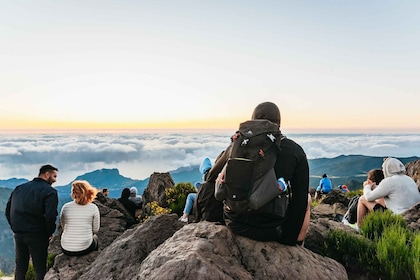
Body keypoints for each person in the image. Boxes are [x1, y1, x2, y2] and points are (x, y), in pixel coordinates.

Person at [208, 101, 311, 246]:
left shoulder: (237, 144)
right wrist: (288, 240)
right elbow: (299, 201)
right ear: (279, 124)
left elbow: (211, 177)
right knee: (307, 198)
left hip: (234, 222)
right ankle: (299, 244)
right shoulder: (294, 150)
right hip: (272, 230)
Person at [5, 164, 59, 280]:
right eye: (54, 176)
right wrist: (49, 232)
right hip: (38, 235)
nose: (55, 180)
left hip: (19, 234)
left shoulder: (19, 188)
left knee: (20, 267)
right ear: (47, 174)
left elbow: (8, 210)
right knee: (39, 269)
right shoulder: (50, 192)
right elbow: (50, 216)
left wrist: (15, 227)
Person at [357, 158, 420, 227]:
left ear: (388, 168)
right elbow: (386, 190)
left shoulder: (389, 181)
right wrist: (373, 186)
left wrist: (367, 186)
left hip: (398, 217)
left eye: (383, 168)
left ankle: (361, 228)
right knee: (379, 200)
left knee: (362, 199)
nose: (383, 171)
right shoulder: (409, 179)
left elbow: (368, 197)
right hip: (413, 215)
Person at [60, 180, 100, 256]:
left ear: (73, 193)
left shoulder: (66, 207)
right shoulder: (93, 207)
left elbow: (63, 226)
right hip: (85, 248)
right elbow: (95, 230)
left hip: (66, 248)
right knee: (95, 238)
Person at [179, 158, 212, 222]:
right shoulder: (213, 174)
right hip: (212, 197)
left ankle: (185, 216)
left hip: (205, 198)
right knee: (197, 184)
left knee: (190, 196)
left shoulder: (206, 176)